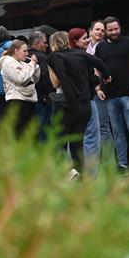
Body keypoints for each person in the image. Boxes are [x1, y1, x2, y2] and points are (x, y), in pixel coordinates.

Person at [47, 31, 110, 181]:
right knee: (77, 143)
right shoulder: (79, 54)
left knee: (58, 141)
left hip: (68, 104)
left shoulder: (54, 57)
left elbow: (61, 79)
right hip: (85, 106)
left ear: (53, 44)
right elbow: (99, 63)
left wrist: (70, 100)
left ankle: (68, 173)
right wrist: (106, 76)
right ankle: (80, 176)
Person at [95, 17, 129, 172]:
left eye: (116, 29)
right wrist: (98, 88)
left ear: (120, 27)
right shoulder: (100, 47)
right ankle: (123, 164)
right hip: (110, 96)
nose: (114, 32)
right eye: (110, 30)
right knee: (117, 132)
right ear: (105, 31)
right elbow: (97, 70)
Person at [0, 39, 40, 133]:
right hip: (17, 102)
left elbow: (35, 80)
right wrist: (32, 64)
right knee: (20, 135)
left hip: (29, 101)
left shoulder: (22, 63)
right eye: (24, 51)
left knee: (31, 135)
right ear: (16, 51)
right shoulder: (8, 62)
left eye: (27, 51)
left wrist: (35, 67)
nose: (27, 54)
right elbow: (20, 78)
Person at [86, 19, 112, 167]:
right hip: (89, 91)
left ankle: (108, 162)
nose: (100, 32)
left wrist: (98, 88)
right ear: (90, 31)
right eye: (97, 29)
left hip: (100, 90)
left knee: (103, 126)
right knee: (93, 128)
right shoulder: (86, 47)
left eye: (102, 30)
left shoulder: (104, 47)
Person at [28, 31, 54, 136]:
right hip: (41, 97)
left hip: (27, 97)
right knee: (43, 127)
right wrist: (48, 93)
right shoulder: (42, 57)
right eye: (45, 42)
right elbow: (45, 77)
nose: (47, 45)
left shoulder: (24, 55)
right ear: (38, 43)